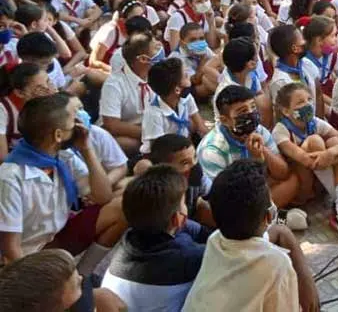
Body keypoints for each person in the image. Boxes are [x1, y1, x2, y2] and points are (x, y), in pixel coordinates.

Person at [0, 94, 123, 272]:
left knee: (120, 205)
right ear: (58, 135)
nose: (80, 125)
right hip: (22, 257)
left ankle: (83, 274)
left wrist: (87, 150)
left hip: (51, 241)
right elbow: (11, 251)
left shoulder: (63, 157)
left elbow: (103, 196)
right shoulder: (10, 178)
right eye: (74, 121)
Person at [182, 159, 310, 312]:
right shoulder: (277, 264)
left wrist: (307, 280)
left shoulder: (215, 240)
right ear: (268, 217)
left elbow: (278, 232)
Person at [101, 165, 209, 311]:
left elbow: (188, 228)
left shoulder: (129, 239)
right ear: (178, 219)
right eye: (183, 203)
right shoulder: (189, 258)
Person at [272, 82, 338, 244]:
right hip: (302, 187)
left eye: (309, 100)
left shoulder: (315, 122)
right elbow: (306, 160)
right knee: (315, 141)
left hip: (319, 185)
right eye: (300, 103)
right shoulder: (280, 131)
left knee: (334, 142)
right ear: (285, 111)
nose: (307, 105)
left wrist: (332, 152)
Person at [198, 85, 300, 208]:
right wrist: (257, 164)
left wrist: (263, 150)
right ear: (225, 120)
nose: (251, 114)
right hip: (232, 202)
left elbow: (283, 172)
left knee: (292, 180)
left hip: (256, 189)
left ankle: (271, 216)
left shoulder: (259, 131)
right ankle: (275, 218)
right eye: (242, 111)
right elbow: (224, 197)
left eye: (252, 107)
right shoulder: (212, 150)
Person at [99, 32, 161, 155]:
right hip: (123, 132)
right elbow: (112, 125)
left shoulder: (158, 73)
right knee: (129, 144)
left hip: (149, 127)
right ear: (143, 59)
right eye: (156, 48)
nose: (160, 48)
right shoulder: (114, 84)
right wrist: (149, 133)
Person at [140, 58, 208, 154]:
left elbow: (201, 126)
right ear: (177, 90)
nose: (189, 76)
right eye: (185, 76)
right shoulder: (154, 114)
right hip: (164, 155)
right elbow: (158, 150)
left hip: (184, 147)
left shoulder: (186, 98)